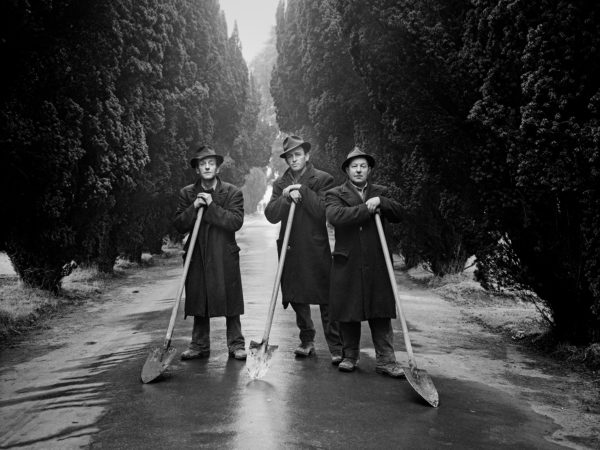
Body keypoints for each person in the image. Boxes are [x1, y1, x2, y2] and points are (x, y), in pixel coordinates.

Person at [325, 146, 405, 377]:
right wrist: (366, 209)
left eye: (363, 166)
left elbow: (399, 213)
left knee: (380, 311)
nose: (358, 170)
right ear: (347, 170)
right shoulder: (335, 194)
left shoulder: (381, 192)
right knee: (349, 310)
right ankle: (350, 356)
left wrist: (382, 202)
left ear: (369, 169)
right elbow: (336, 217)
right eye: (354, 166)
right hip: (347, 261)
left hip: (377, 260)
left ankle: (386, 360)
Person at [265, 135, 343, 364]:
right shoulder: (280, 184)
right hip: (291, 248)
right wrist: (287, 196)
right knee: (297, 296)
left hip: (315, 247)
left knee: (326, 297)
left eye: (298, 154)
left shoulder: (323, 179)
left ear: (307, 155)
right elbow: (271, 214)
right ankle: (306, 340)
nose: (294, 159)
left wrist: (302, 190)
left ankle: (336, 346)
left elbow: (322, 211)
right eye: (290, 156)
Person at [173, 144, 247, 361]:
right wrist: (194, 207)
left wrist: (212, 205)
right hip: (197, 255)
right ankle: (199, 345)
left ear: (218, 168)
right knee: (199, 298)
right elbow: (179, 224)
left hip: (224, 254)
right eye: (202, 164)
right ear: (197, 169)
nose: (206, 167)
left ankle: (236, 344)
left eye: (211, 163)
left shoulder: (232, 192)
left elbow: (235, 221)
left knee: (230, 301)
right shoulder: (187, 193)